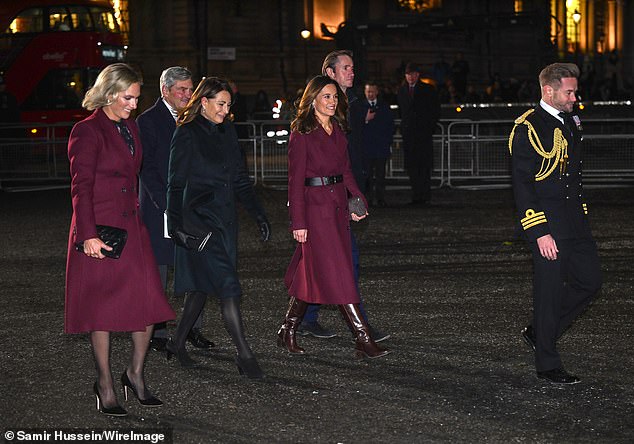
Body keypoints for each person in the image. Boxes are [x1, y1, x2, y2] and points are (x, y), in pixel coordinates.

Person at [65, 63, 176, 416]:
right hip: (101, 231)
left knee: (148, 304)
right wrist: (88, 236)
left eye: (136, 98)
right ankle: (105, 383)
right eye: (128, 98)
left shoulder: (130, 127)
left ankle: (135, 374)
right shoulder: (86, 131)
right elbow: (80, 187)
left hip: (135, 226)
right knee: (103, 309)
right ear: (110, 93)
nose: (134, 105)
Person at [166, 76, 271, 379]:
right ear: (204, 102)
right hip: (199, 224)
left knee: (200, 288)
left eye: (228, 104)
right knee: (228, 287)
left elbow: (240, 179)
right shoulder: (186, 134)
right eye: (221, 104)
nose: (226, 110)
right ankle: (245, 354)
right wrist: (175, 228)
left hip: (226, 223)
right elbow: (174, 185)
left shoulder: (227, 133)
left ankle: (176, 343)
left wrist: (258, 214)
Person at [278, 75, 390, 359]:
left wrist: (358, 199)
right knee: (340, 273)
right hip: (315, 212)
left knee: (312, 273)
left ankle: (287, 329)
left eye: (334, 97)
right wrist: (298, 222)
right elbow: (294, 182)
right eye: (326, 96)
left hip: (337, 208)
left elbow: (346, 170)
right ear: (313, 99)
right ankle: (362, 337)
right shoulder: (301, 132)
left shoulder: (338, 130)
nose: (332, 101)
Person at [508, 62, 602, 384]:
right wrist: (538, 231)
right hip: (547, 224)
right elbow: (523, 186)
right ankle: (547, 363)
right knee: (548, 293)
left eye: (574, 91)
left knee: (590, 282)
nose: (575, 97)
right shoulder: (528, 128)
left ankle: (540, 332)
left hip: (575, 220)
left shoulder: (572, 120)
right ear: (548, 90)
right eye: (569, 91)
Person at [138, 66, 214, 353]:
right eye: (181, 89)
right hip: (161, 210)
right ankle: (157, 331)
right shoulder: (148, 121)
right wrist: (167, 204)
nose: (187, 94)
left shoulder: (197, 118)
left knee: (197, 266)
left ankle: (193, 327)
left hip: (194, 206)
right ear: (165, 90)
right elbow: (147, 168)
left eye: (189, 88)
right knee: (159, 272)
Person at [397, 62, 440, 206]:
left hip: (423, 134)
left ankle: (425, 195)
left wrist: (429, 128)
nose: (410, 77)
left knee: (424, 166)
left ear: (418, 75)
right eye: (408, 75)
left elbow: (434, 110)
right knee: (412, 167)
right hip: (409, 135)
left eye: (412, 74)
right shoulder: (402, 90)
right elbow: (403, 112)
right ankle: (416, 195)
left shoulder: (428, 89)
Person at [351, 80, 394, 207]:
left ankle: (381, 198)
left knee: (380, 175)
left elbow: (389, 126)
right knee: (367, 175)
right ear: (365, 92)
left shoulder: (384, 106)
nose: (370, 94)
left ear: (377, 92)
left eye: (372, 91)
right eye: (368, 91)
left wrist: (388, 142)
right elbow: (355, 127)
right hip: (366, 148)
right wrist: (364, 120)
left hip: (381, 147)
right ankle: (368, 199)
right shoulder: (359, 107)